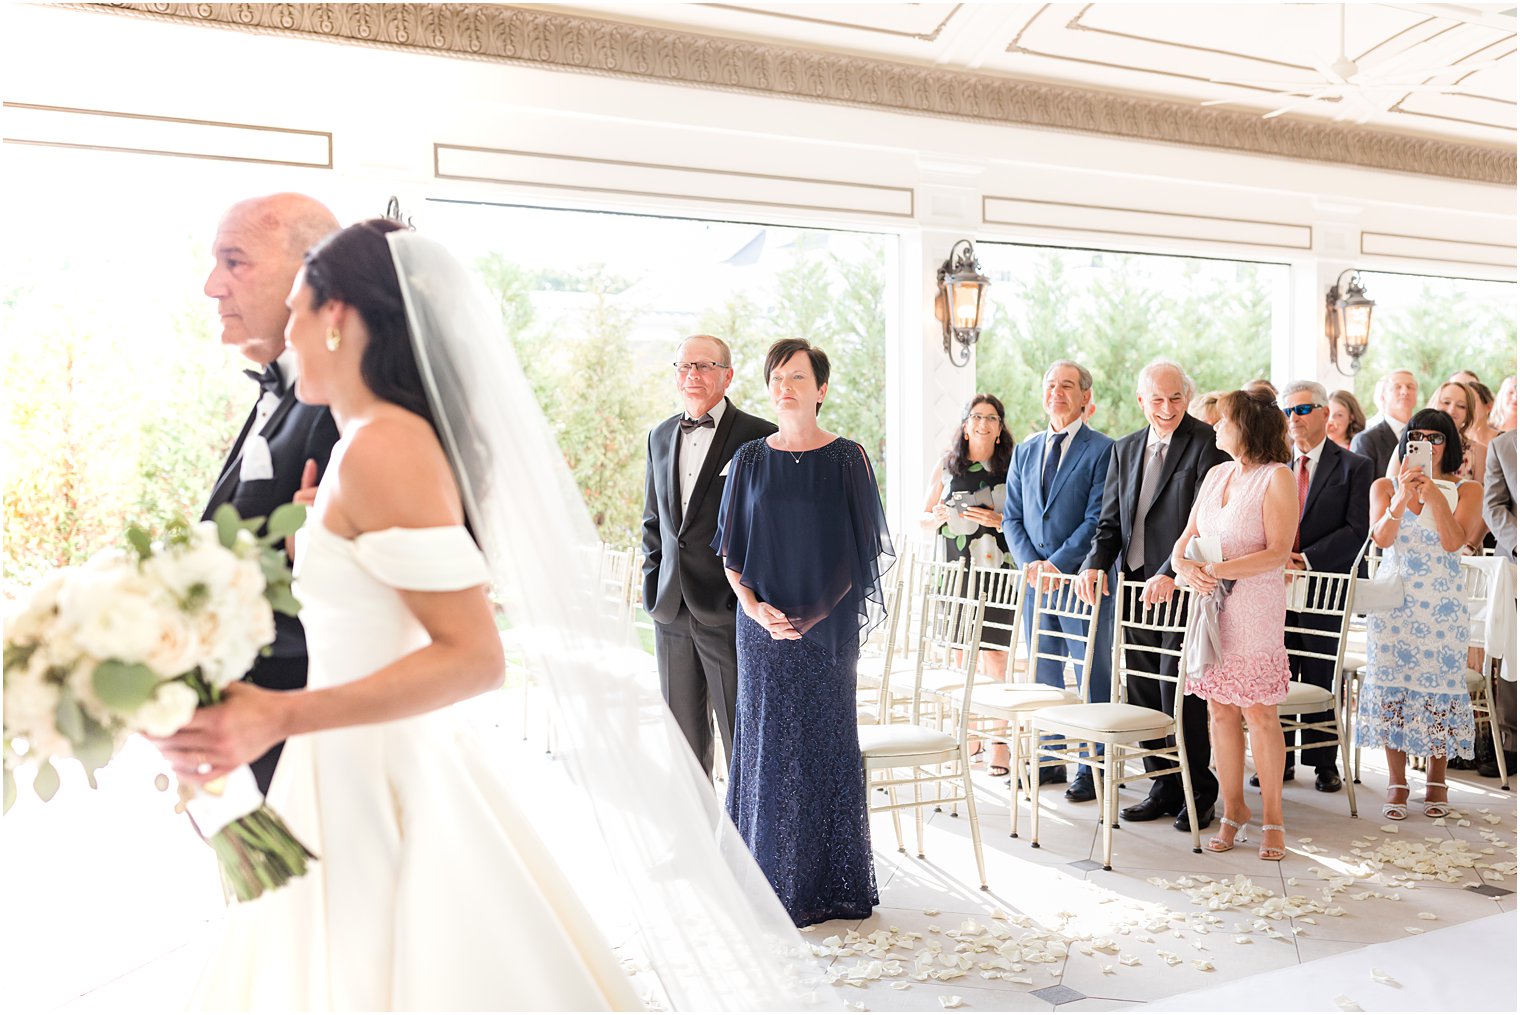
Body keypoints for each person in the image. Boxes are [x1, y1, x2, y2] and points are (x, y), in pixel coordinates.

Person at [155, 223, 828, 1010]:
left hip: (376, 775)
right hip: (335, 769)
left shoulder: (382, 444)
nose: (289, 332)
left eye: (300, 309)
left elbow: (476, 656)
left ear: (338, 317)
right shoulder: (360, 443)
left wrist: (281, 712)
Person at [714, 338, 894, 927]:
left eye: (796, 377)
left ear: (820, 388)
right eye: (776, 377)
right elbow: (730, 553)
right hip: (760, 629)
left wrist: (810, 617)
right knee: (765, 744)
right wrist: (756, 609)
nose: (784, 386)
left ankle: (825, 886)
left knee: (822, 745)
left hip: (826, 632)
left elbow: (860, 554)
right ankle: (760, 879)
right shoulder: (747, 461)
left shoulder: (847, 458)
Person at [202, 193, 341, 796]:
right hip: (248, 732)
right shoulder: (280, 390)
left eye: (236, 262)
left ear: (311, 274)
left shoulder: (347, 410)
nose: (212, 286)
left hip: (310, 739)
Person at [1078, 359, 1229, 832]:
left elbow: (1204, 522)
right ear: (1141, 400)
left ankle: (1198, 791)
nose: (1167, 409)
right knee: (1143, 690)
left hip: (1183, 587)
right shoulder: (1122, 450)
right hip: (1135, 589)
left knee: (1178, 692)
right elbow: (1109, 525)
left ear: (1188, 396)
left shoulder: (1208, 443)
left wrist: (1169, 572)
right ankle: (1162, 785)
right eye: (1157, 400)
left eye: (1176, 398)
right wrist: (1093, 564)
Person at [642, 335, 776, 778]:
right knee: (682, 743)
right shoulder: (659, 436)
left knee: (743, 738)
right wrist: (653, 588)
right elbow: (653, 523)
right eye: (684, 366)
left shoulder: (758, 437)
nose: (692, 375)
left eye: (704, 366)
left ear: (727, 375)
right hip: (671, 610)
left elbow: (768, 528)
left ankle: (745, 844)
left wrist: (753, 599)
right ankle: (695, 843)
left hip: (730, 610)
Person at [1172, 389, 1295, 860]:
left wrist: (1216, 572)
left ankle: (1274, 820)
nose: (1216, 428)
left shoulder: (1276, 477)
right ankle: (1233, 809)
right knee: (1219, 709)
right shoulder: (1215, 474)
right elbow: (1183, 542)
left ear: (1245, 427)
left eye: (1223, 421)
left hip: (1254, 606)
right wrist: (1185, 568)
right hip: (1208, 606)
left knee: (1259, 712)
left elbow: (1277, 553)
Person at [1356, 409, 1482, 822]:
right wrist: (1400, 499)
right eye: (1417, 437)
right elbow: (1382, 538)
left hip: (1442, 606)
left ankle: (1437, 778)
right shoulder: (1382, 485)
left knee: (1439, 690)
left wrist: (1434, 496)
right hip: (1394, 603)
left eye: (1435, 438)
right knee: (1392, 684)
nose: (1426, 445)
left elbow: (1454, 542)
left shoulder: (1468, 491)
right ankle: (1396, 780)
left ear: (1450, 444)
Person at [1002, 361, 1115, 801]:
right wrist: (1033, 565)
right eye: (1051, 385)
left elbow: (1097, 519)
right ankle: (1049, 759)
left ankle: (1093, 765)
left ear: (1085, 396)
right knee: (1043, 671)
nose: (1057, 393)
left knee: (1091, 674)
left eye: (1067, 386)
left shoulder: (1104, 449)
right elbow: (1012, 517)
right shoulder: (1026, 450)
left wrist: (1058, 565)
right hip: (1036, 583)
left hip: (1082, 583)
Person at [1272, 381, 1372, 793]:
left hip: (1322, 586)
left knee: (1318, 670)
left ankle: (1323, 762)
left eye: (1302, 409)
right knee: (1277, 670)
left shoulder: (1354, 466)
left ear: (1325, 414)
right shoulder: (1275, 464)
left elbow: (1357, 529)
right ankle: (1279, 760)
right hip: (1275, 584)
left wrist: (1307, 558)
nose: (1294, 419)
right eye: (1288, 411)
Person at [920, 393, 1015, 775]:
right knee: (962, 657)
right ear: (965, 424)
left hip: (997, 573)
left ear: (999, 428)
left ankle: (999, 742)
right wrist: (937, 516)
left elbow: (1024, 520)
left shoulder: (1012, 467)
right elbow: (921, 517)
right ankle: (970, 732)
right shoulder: (946, 466)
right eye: (976, 416)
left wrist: (1000, 521)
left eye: (991, 418)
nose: (983, 423)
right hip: (955, 572)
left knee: (994, 658)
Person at [1481, 429, 1517, 779]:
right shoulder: (1503, 446)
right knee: (1512, 651)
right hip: (1516, 562)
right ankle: (1510, 743)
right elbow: (1493, 505)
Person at [1353, 368, 1419, 477]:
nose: (1404, 392)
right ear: (1383, 397)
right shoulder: (1366, 440)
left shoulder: (1424, 435)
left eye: (1410, 387)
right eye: (1397, 387)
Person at [1430, 380, 1489, 484]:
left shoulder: (1479, 452)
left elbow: (1482, 498)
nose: (1451, 410)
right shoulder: (1410, 445)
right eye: (1446, 402)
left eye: (1461, 406)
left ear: (1468, 413)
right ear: (1434, 404)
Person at [1467, 380, 1502, 447]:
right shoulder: (1453, 440)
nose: (1466, 406)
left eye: (1472, 401)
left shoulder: (1505, 440)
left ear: (1488, 407)